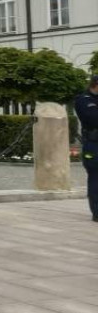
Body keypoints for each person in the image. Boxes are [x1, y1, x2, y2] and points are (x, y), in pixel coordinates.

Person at [73, 74, 98, 222]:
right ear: (95, 84)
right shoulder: (83, 100)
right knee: (96, 178)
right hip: (94, 146)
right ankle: (97, 211)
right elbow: (94, 118)